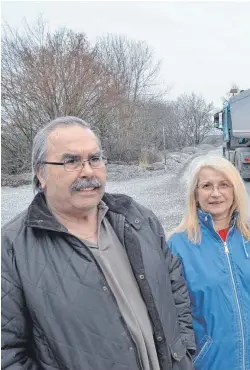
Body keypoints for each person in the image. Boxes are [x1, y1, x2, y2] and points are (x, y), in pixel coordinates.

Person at [1, 116, 195, 370]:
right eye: (71, 161)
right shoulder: (13, 248)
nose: (88, 171)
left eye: (95, 159)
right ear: (41, 173)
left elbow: (174, 286)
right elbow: (7, 354)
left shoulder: (136, 218)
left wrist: (185, 352)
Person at [167, 155, 250, 370]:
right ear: (195, 194)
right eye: (207, 186)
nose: (216, 193)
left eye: (224, 185)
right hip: (210, 362)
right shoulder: (178, 244)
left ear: (235, 190)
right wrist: (193, 354)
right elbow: (173, 312)